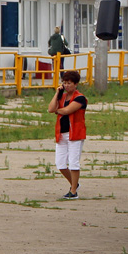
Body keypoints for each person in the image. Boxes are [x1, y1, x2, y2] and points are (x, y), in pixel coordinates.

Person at [48, 70, 88, 199]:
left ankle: (73, 191)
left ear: (75, 84)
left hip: (75, 134)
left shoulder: (80, 98)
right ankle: (74, 184)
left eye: (69, 83)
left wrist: (57, 111)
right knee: (60, 164)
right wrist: (57, 93)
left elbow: (67, 110)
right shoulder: (62, 97)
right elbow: (50, 108)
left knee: (73, 163)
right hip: (62, 134)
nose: (66, 85)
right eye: (64, 83)